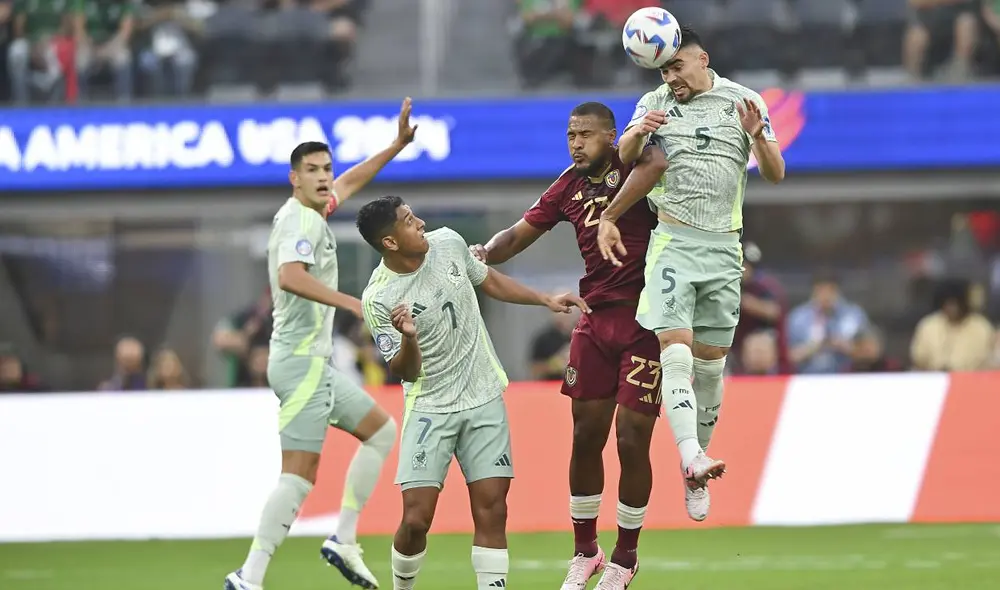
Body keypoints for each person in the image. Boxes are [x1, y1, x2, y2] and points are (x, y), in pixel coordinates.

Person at [469, 101, 667, 590]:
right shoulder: (567, 186)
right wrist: (485, 252)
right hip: (595, 321)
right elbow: (520, 232)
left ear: (611, 135)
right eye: (570, 135)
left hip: (646, 320)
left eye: (585, 134)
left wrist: (623, 183)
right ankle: (586, 551)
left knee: (631, 438)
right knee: (584, 438)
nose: (576, 143)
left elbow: (658, 162)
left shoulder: (634, 163)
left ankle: (626, 555)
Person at [224, 98, 419, 590]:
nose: (324, 176)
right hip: (300, 364)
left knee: (381, 432)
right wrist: (353, 305)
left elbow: (353, 181)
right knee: (298, 477)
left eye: (326, 168)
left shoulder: (315, 209)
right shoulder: (299, 221)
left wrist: (395, 146)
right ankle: (250, 576)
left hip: (313, 366)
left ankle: (343, 539)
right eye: (311, 170)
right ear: (294, 178)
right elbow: (290, 278)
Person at [597, 26, 785, 526]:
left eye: (677, 66)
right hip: (674, 243)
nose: (670, 76)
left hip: (725, 248)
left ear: (703, 59)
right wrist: (638, 131)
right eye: (663, 69)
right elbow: (626, 157)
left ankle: (695, 461)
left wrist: (757, 135)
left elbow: (774, 172)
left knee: (710, 365)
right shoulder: (653, 101)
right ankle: (690, 455)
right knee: (674, 353)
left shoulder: (743, 101)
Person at [355, 196, 589, 590]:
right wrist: (408, 338)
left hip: (483, 396)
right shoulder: (378, 298)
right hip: (431, 408)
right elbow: (405, 371)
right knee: (415, 520)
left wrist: (543, 298)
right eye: (410, 222)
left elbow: (487, 279)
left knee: (492, 510)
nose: (422, 223)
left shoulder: (448, 242)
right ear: (390, 242)